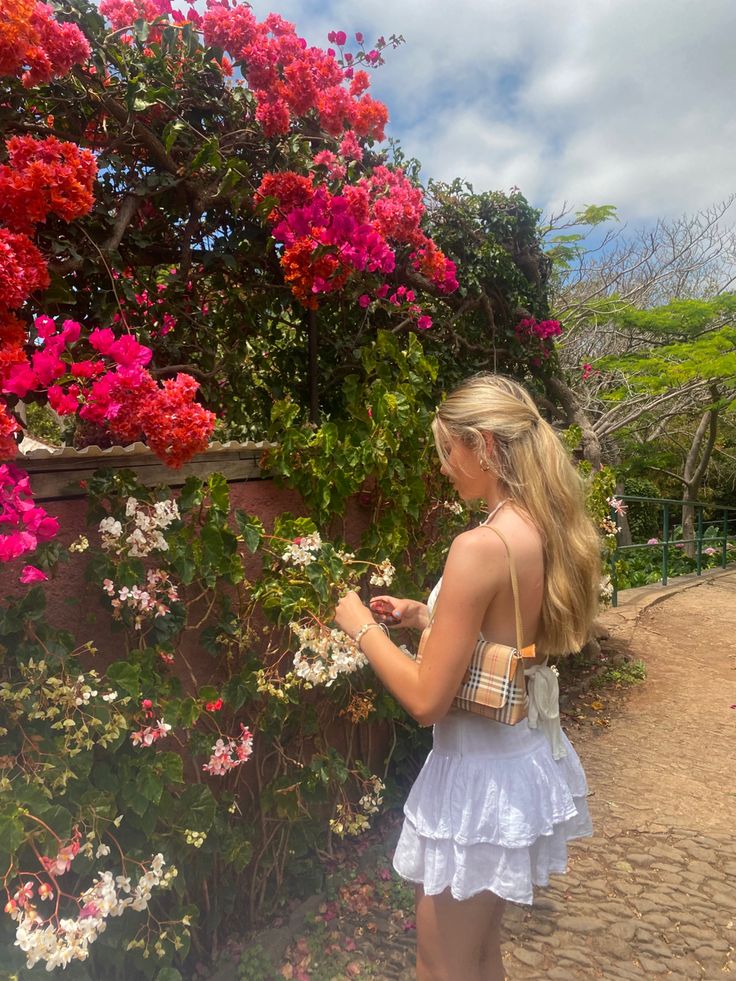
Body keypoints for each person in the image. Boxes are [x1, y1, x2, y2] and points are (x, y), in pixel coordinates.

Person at [334, 373, 601, 981]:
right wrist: (425, 616)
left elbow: (427, 699)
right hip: (514, 764)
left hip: (478, 780)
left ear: (482, 445)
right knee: (479, 957)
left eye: (448, 451)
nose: (446, 467)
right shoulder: (534, 526)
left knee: (441, 965)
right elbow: (504, 633)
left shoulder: (479, 545)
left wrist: (358, 625)